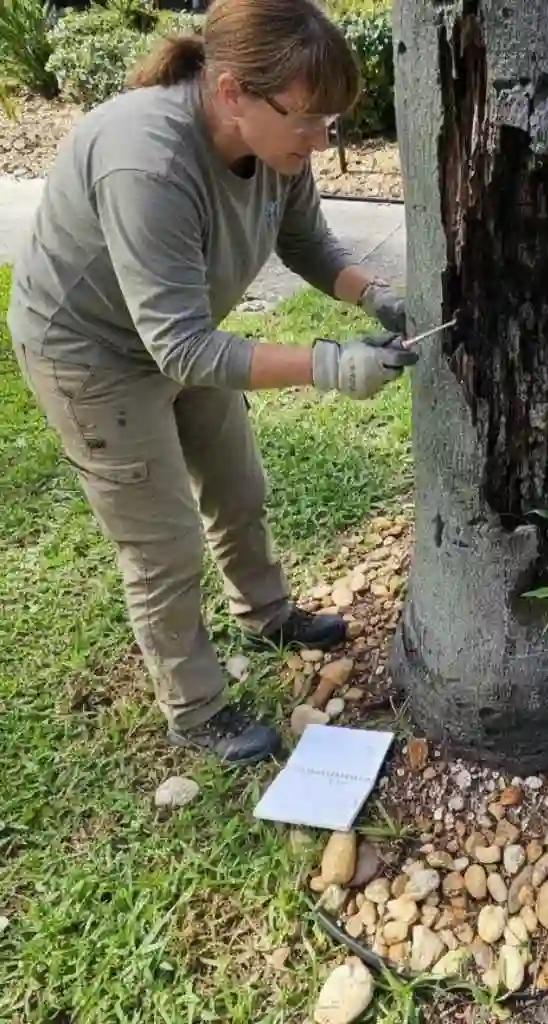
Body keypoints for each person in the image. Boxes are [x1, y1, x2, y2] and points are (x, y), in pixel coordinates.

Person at [5, 0, 417, 766]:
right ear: (232, 92)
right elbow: (185, 352)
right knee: (164, 545)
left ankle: (267, 616)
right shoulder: (148, 161)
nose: (320, 140)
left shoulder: (282, 149)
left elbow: (307, 243)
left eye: (332, 122)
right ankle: (195, 710)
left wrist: (377, 297)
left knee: (237, 485)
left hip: (180, 333)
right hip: (89, 354)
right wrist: (329, 364)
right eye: (308, 119)